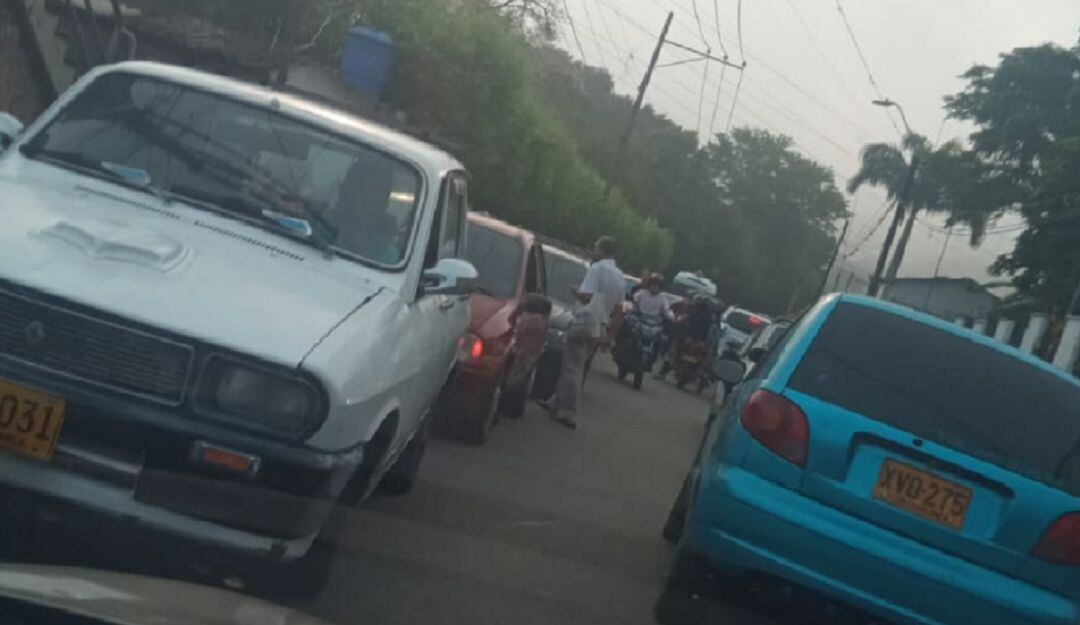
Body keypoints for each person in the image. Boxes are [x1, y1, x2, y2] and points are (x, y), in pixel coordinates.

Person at [542, 236, 625, 429]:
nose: (594, 252)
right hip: (600, 326)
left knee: (572, 367)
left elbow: (587, 296)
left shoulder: (597, 269)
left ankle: (568, 411)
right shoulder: (620, 277)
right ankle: (556, 402)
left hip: (584, 320)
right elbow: (619, 311)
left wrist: (575, 290)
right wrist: (610, 337)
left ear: (602, 250)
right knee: (578, 365)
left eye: (596, 248)